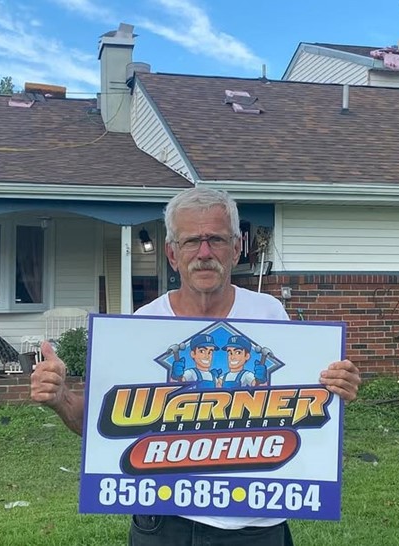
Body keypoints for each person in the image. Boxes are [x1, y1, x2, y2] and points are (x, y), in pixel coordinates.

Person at [31, 186, 361, 546]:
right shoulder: (144, 324)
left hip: (257, 524)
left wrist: (338, 386)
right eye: (191, 242)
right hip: (164, 523)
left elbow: (308, 406)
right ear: (172, 253)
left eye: (216, 239)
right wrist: (60, 397)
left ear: (236, 248)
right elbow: (103, 424)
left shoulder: (271, 316)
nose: (204, 253)